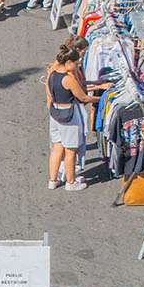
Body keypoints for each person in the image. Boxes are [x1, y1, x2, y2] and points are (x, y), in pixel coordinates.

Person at [46, 36, 97, 190]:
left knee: (57, 147)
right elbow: (83, 97)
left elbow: (49, 94)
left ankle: (53, 180)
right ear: (68, 63)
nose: (77, 66)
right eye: (76, 64)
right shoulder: (68, 79)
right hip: (69, 115)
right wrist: (102, 98)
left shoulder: (52, 73)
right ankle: (71, 182)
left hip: (55, 113)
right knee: (70, 150)